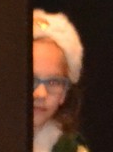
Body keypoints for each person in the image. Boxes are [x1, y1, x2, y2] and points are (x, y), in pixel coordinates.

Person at [33, 9, 85, 152]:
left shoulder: (71, 148)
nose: (40, 94)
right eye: (31, 80)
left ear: (64, 93)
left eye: (53, 82)